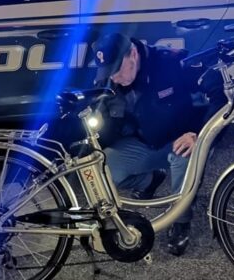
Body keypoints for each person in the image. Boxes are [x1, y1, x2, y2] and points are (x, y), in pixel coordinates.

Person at [92, 33, 226, 256]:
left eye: (117, 70)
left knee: (183, 156)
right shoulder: (110, 79)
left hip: (185, 138)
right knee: (105, 167)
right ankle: (150, 180)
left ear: (133, 54)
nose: (113, 78)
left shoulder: (171, 62)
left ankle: (181, 220)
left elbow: (218, 92)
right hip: (148, 141)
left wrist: (199, 134)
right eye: (108, 72)